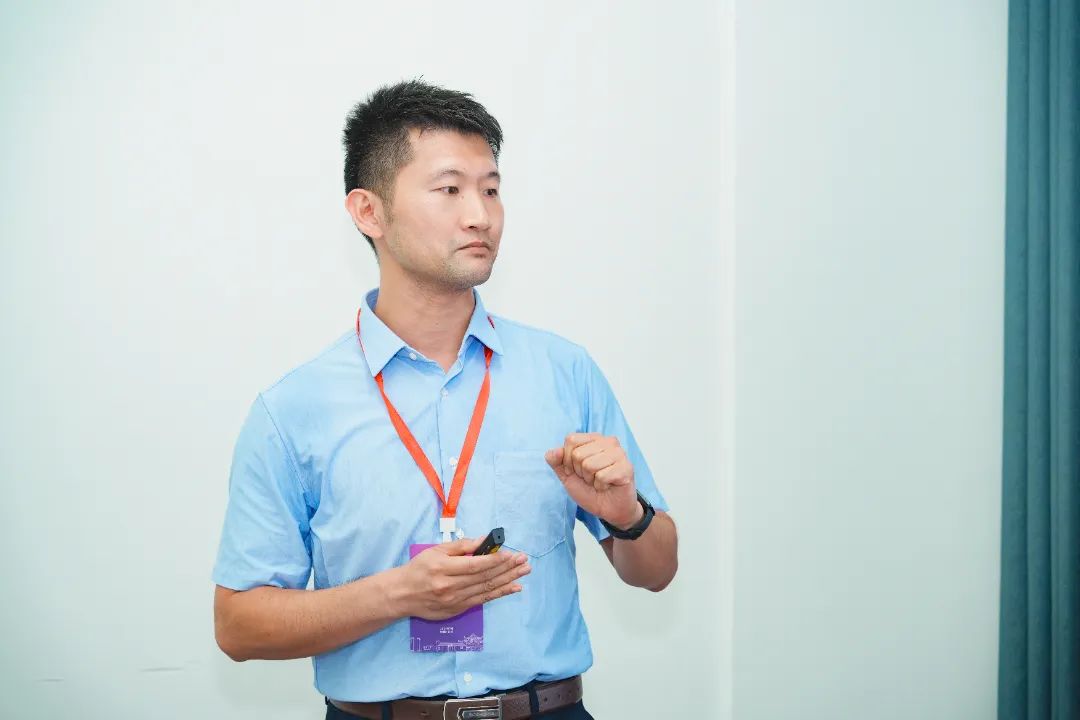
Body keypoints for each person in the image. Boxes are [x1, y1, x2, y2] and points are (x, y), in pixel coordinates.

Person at [212, 79, 678, 720]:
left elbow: (657, 571)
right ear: (369, 213)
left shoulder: (564, 372)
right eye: (450, 189)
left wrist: (628, 516)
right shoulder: (294, 409)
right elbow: (238, 625)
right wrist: (399, 594)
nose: (480, 215)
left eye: (491, 189)